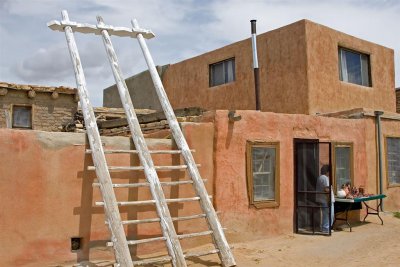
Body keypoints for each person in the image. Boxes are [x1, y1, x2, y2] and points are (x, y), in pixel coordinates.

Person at [316, 164, 334, 233]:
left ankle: (325, 228)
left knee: (325, 214)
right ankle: (326, 228)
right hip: (326, 200)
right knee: (328, 214)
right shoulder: (325, 178)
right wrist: (329, 200)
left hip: (323, 199)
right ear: (327, 171)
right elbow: (326, 189)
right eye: (329, 171)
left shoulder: (320, 177)